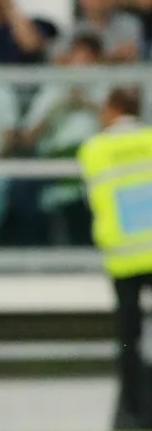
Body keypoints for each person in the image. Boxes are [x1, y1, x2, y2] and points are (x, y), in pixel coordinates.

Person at [77, 88, 152, 430]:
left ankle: (135, 409)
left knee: (129, 337)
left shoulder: (95, 148)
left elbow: (92, 198)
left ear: (112, 109)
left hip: (124, 258)